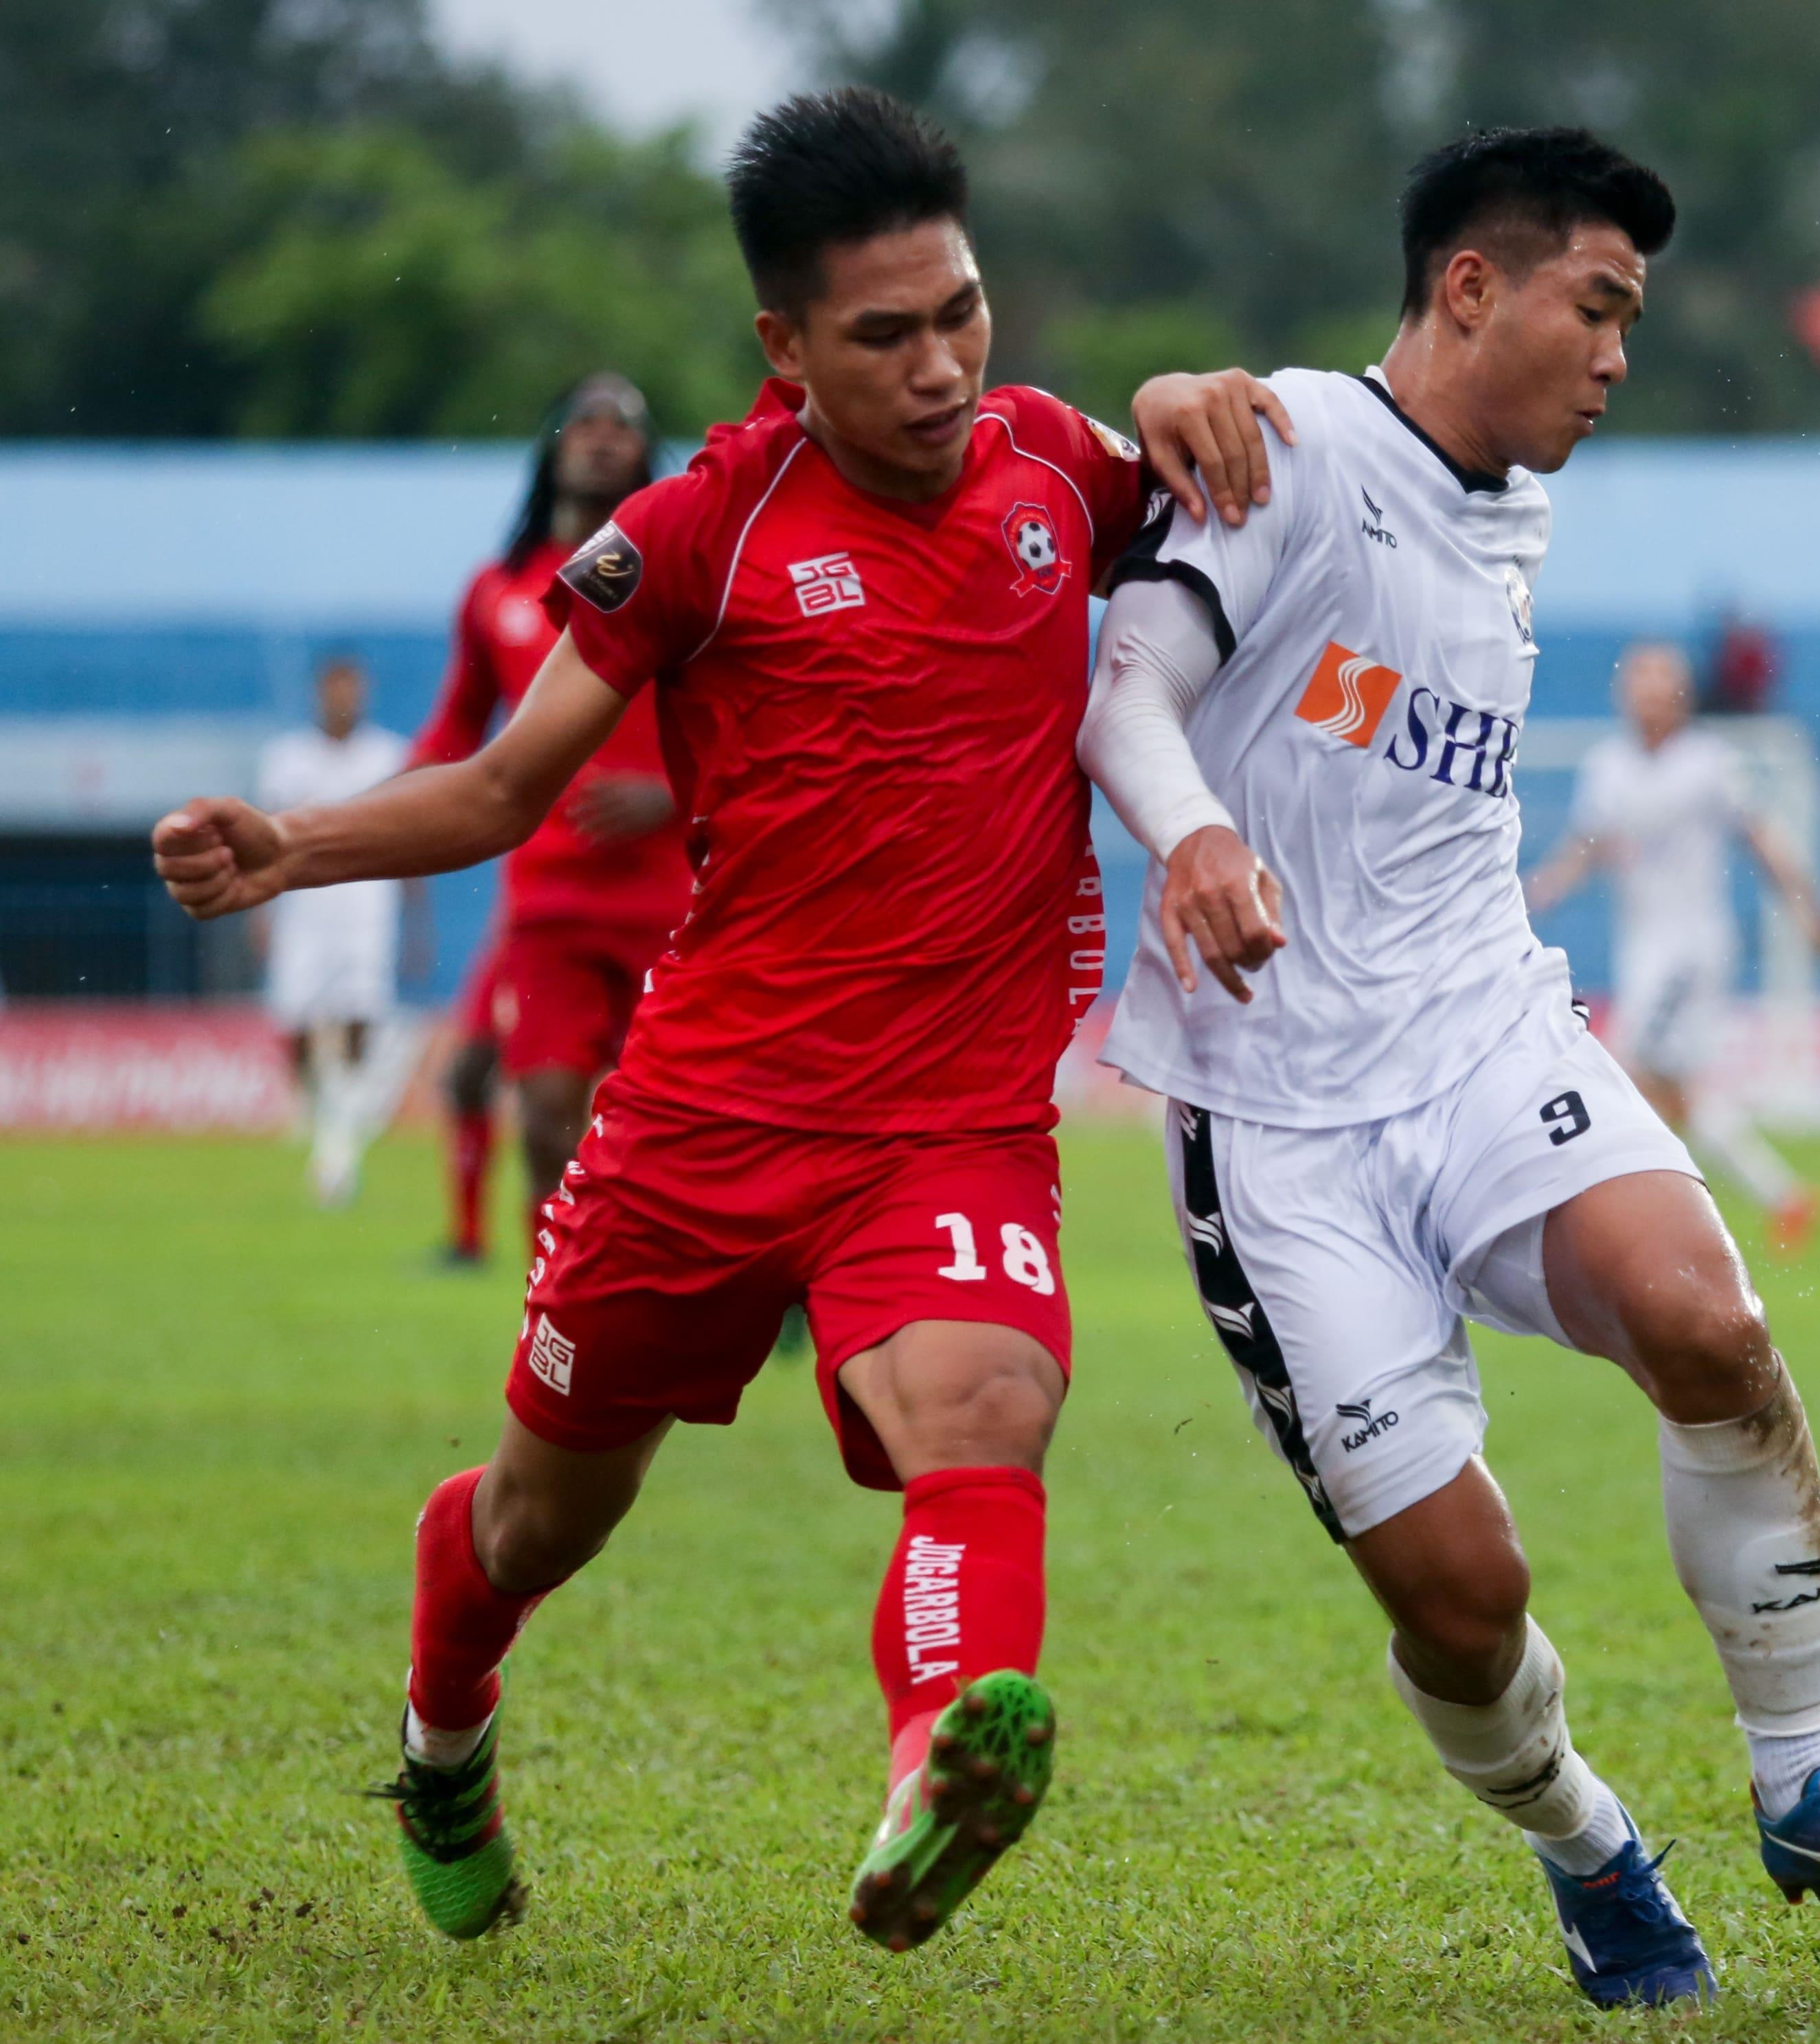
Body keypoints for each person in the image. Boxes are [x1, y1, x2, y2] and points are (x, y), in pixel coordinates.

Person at [152, 88, 1289, 1955]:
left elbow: (1213, 494)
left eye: (962, 313)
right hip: (701, 1124)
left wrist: (1183, 389)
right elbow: (505, 786)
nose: (940, 369)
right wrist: (295, 846)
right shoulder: (697, 531)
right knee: (537, 1524)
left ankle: (935, 1767)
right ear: (784, 345)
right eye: (885, 336)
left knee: (987, 1410)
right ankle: (444, 1737)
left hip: (950, 1122)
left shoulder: (1048, 465)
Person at [1078, 126, 1820, 2010]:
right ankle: (1588, 1846)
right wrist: (1195, 833)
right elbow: (1128, 689)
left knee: (1709, 1320)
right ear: (1471, 286)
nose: (1619, 357)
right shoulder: (1290, 448)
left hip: (1485, 1030)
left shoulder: (1508, 500)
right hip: (1278, 1125)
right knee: (1463, 1599)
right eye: (1600, 306)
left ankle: (1807, 1780)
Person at [411, 374, 685, 1264]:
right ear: (553, 447)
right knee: (543, 1115)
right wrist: (363, 820)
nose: (602, 437)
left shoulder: (681, 579)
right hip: (548, 904)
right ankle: (556, 1311)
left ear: (644, 454)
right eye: (584, 423)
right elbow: (455, 730)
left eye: (622, 426)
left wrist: (674, 793)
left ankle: (769, 1282)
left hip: (675, 902)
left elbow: (754, 720)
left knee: (699, 1124)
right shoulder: (497, 589)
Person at [1526, 640, 1820, 1254]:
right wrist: (1550, 883)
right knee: (1674, 1093)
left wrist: (1810, 909)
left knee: (1624, 1070)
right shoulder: (1608, 767)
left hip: (1691, 951)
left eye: (1659, 682)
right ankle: (1782, 1198)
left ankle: (1627, 1217)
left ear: (1681, 695)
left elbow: (1761, 837)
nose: (1647, 694)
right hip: (1641, 948)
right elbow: (1590, 842)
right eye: (1637, 682)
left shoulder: (1709, 764)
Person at [255, 656, 412, 1206]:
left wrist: (417, 923)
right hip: (303, 906)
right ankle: (320, 1108)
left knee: (359, 1014)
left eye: (353, 686)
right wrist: (260, 913)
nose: (344, 696)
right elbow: (263, 841)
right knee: (296, 1019)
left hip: (367, 904)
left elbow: (413, 840)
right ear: (319, 691)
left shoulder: (389, 755)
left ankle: (339, 1133)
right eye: (335, 686)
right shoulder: (286, 759)